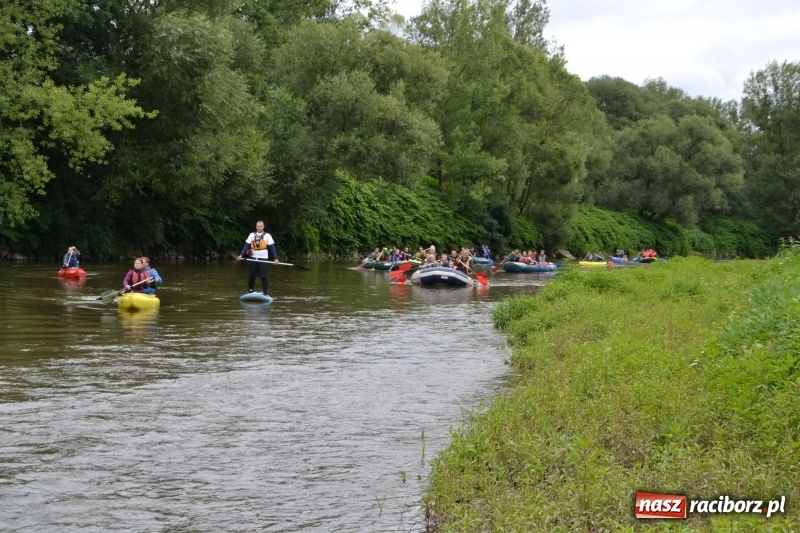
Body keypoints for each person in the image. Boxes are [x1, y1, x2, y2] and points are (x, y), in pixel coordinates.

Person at [237, 220, 279, 294]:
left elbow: (272, 247)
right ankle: (250, 290)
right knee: (252, 276)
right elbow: (246, 245)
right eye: (258, 226)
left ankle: (265, 293)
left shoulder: (267, 236)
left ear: (263, 227)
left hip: (263, 259)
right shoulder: (252, 235)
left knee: (263, 276)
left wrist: (276, 258)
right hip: (253, 258)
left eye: (260, 226)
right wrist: (241, 255)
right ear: (256, 227)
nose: (259, 228)